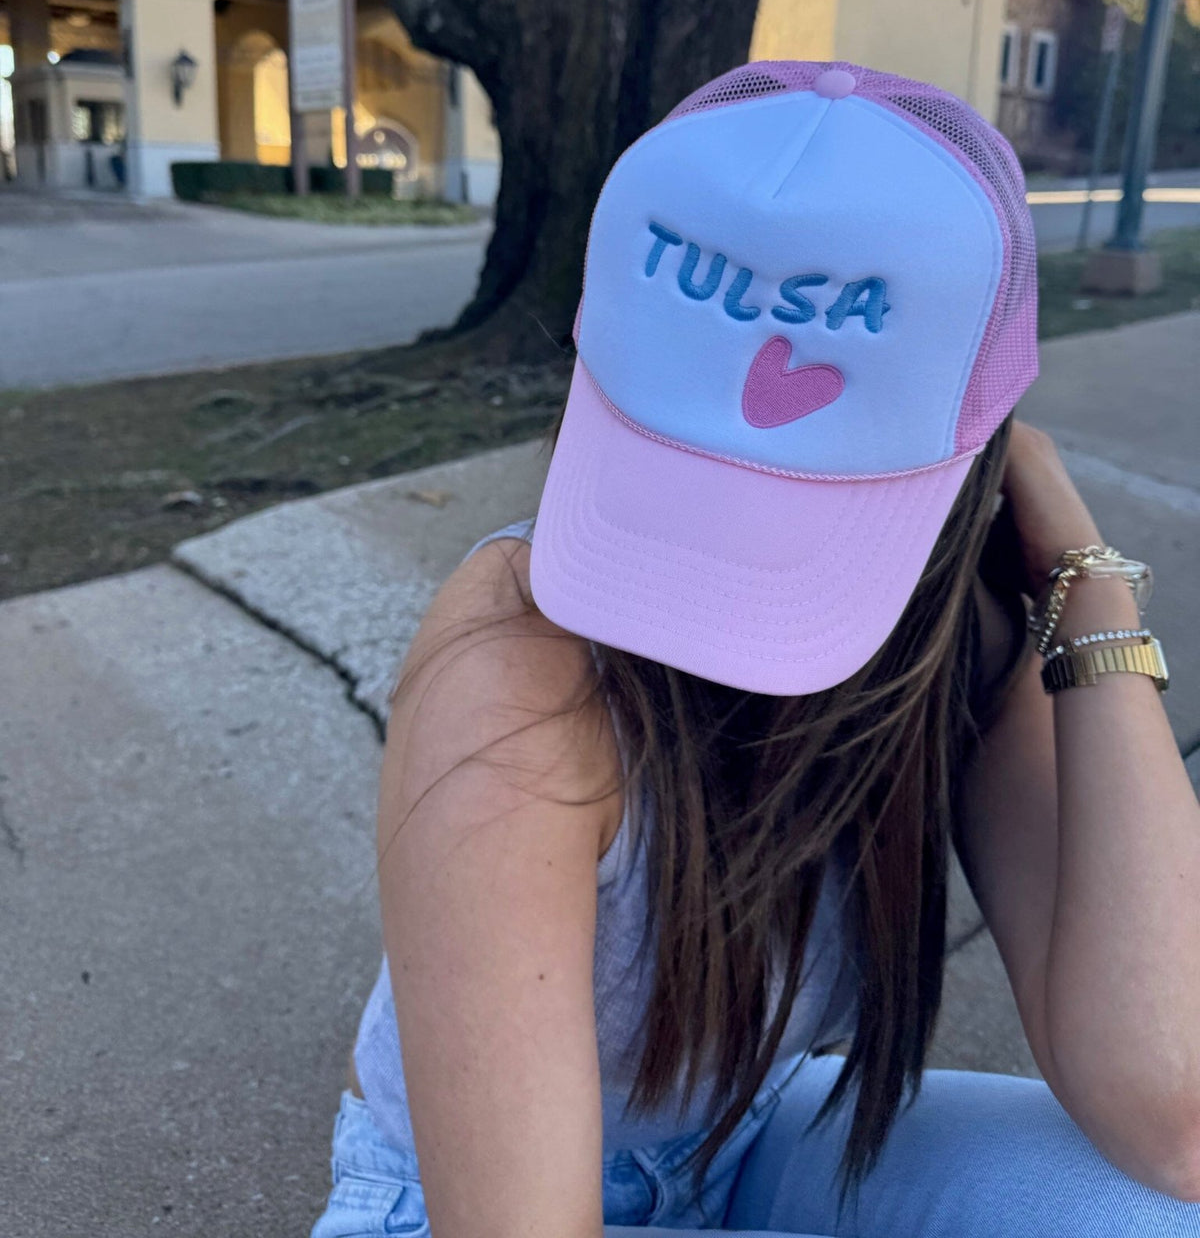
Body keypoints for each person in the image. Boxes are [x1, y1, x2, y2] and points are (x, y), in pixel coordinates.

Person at [311, 61, 1200, 1237]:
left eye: (806, 507)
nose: (716, 581)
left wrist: (1085, 593)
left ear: (978, 455)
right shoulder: (514, 663)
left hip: (752, 1133)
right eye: (681, 469)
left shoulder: (968, 645)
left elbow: (1173, 1117)